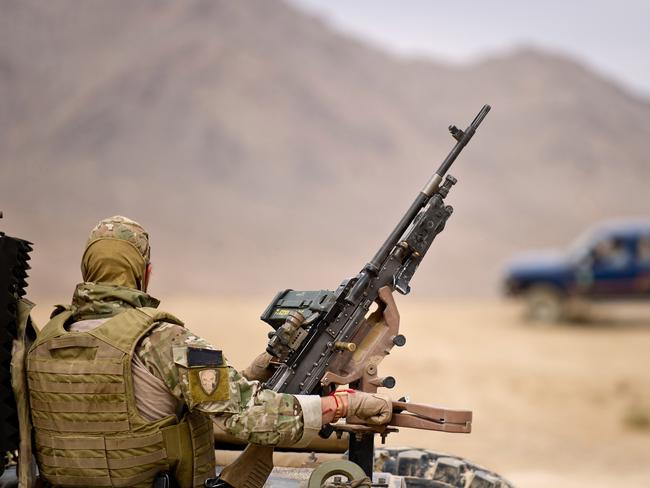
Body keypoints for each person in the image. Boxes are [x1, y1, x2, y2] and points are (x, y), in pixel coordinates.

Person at [26, 216, 393, 488]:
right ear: (145, 273)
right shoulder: (161, 340)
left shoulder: (44, 340)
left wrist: (250, 373)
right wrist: (339, 406)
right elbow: (249, 418)